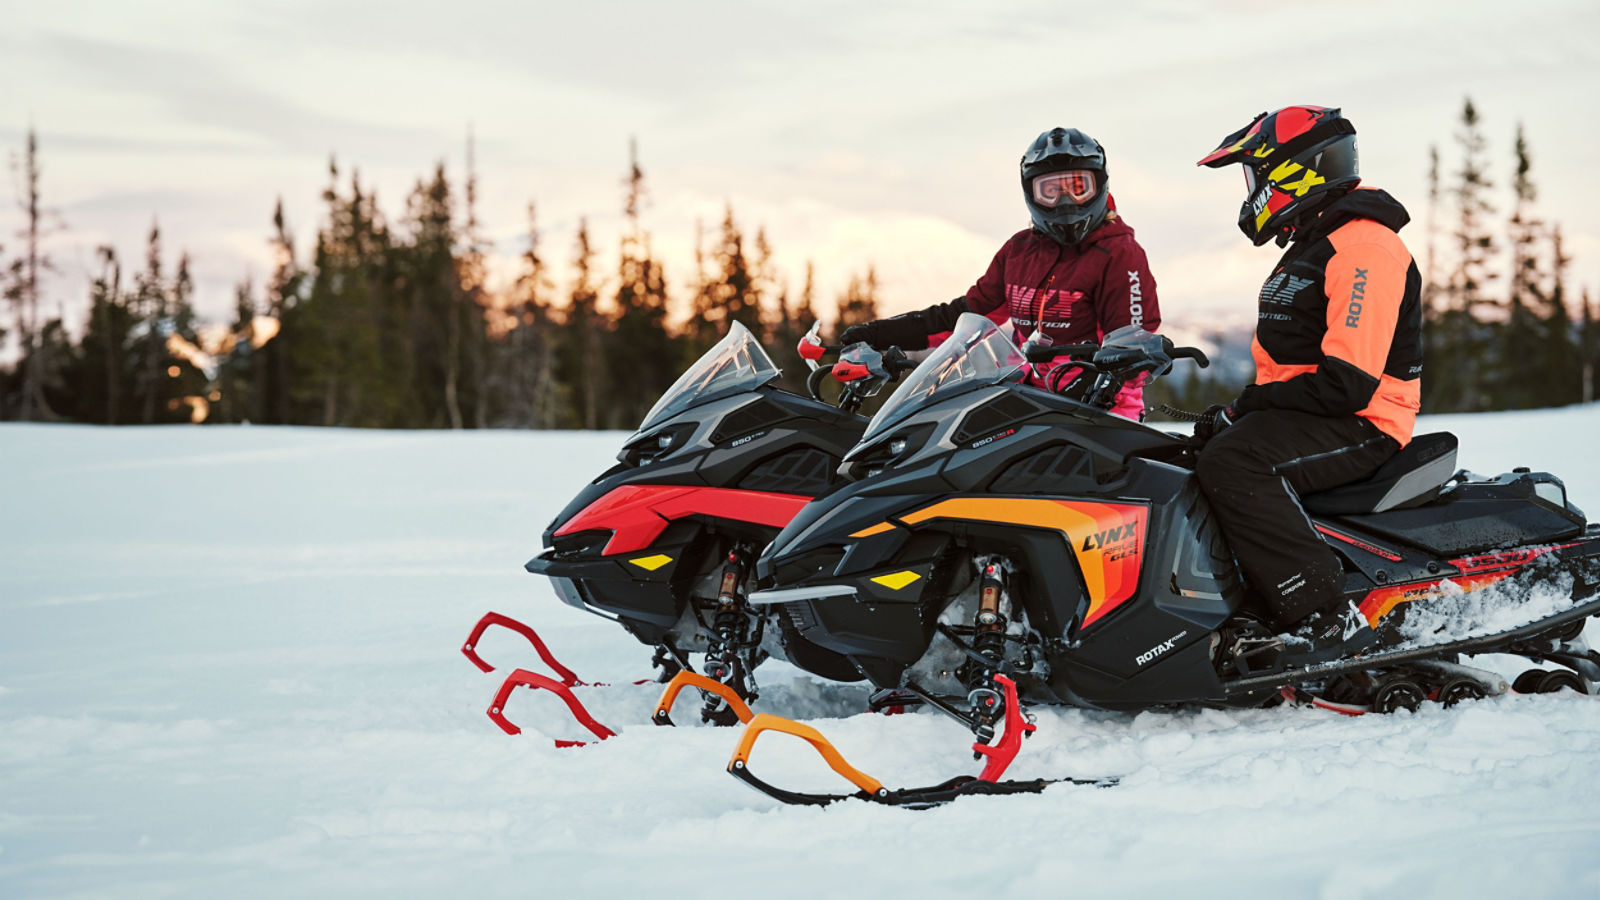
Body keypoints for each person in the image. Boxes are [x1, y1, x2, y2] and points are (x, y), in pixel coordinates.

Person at [1192, 105, 1423, 640]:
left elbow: (1348, 382)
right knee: (1190, 456)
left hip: (1364, 419)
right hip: (1316, 411)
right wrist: (1239, 410)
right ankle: (1241, 596)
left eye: (1256, 174)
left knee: (1235, 463)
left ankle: (1322, 613)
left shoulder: (1363, 244)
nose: (1252, 189)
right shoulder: (1317, 241)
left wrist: (1245, 410)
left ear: (1296, 169)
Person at [841, 127, 1161, 419]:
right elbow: (966, 316)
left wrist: (1101, 380)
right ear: (1031, 193)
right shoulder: (1019, 252)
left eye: (1078, 187)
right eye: (1050, 190)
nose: (1065, 201)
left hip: (1102, 412)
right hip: (1029, 401)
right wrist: (880, 333)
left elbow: (1133, 341)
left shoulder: (1119, 254)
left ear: (1099, 186)